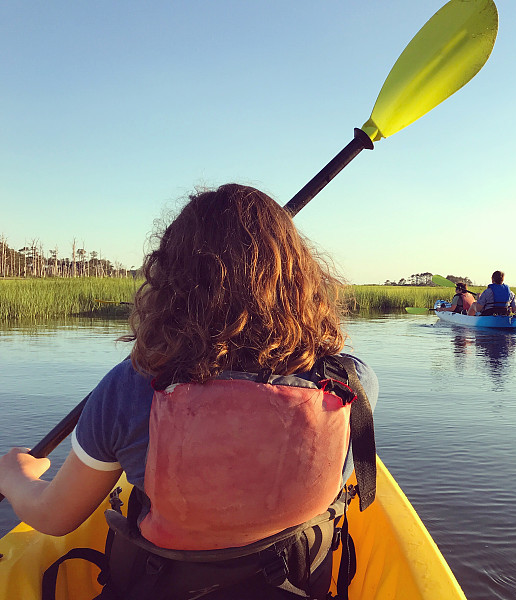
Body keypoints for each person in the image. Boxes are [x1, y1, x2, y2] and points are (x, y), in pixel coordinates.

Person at [0, 184, 378, 599]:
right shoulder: (351, 383)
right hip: (291, 582)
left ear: (171, 284)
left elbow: (55, 517)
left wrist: (15, 477)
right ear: (302, 279)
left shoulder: (130, 388)